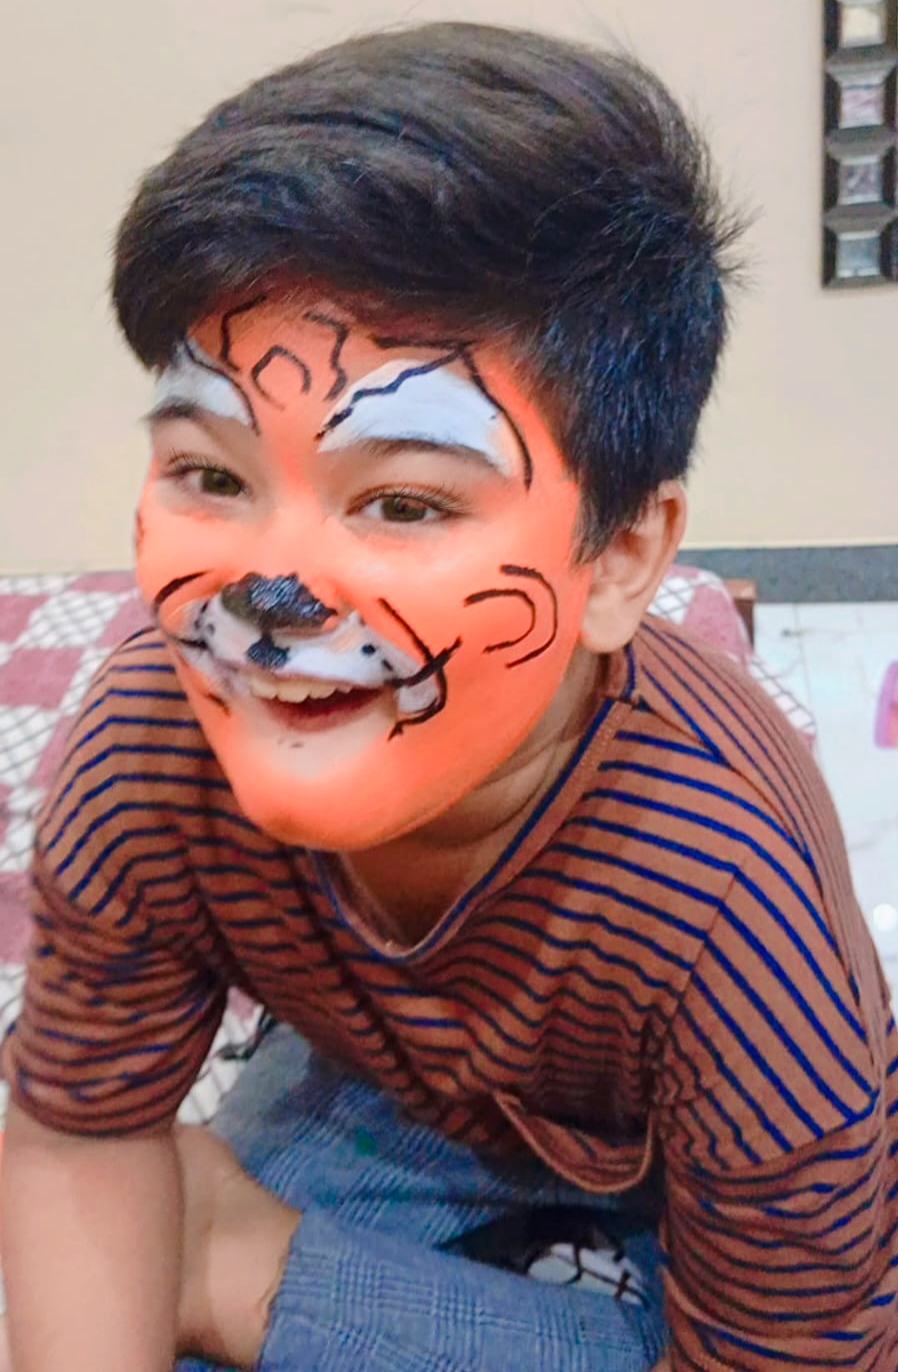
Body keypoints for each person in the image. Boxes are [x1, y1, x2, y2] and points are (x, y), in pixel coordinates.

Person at [2, 20, 897, 1372]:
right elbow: (81, 1132)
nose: (269, 592)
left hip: (689, 1141)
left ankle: (231, 1259)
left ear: (621, 560)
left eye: (406, 502)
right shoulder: (151, 749)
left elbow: (799, 1352)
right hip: (390, 1083)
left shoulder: (729, 904)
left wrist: (247, 1279)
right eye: (212, 476)